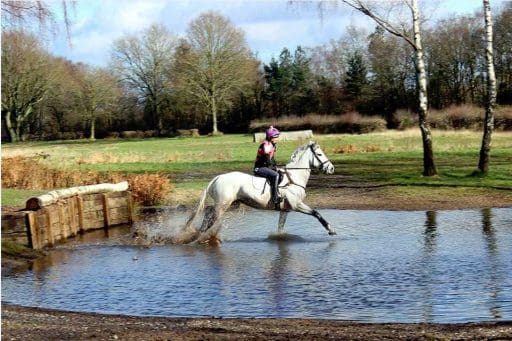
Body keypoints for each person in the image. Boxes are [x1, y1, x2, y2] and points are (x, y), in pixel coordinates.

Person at [254, 126, 282, 209]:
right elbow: (267, 161)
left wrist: (277, 167)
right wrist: (274, 169)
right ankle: (275, 198)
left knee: (280, 172)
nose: (277, 138)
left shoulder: (272, 145)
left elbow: (272, 160)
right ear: (270, 137)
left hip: (266, 166)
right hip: (260, 168)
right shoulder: (266, 145)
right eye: (276, 137)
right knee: (275, 175)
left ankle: (276, 192)